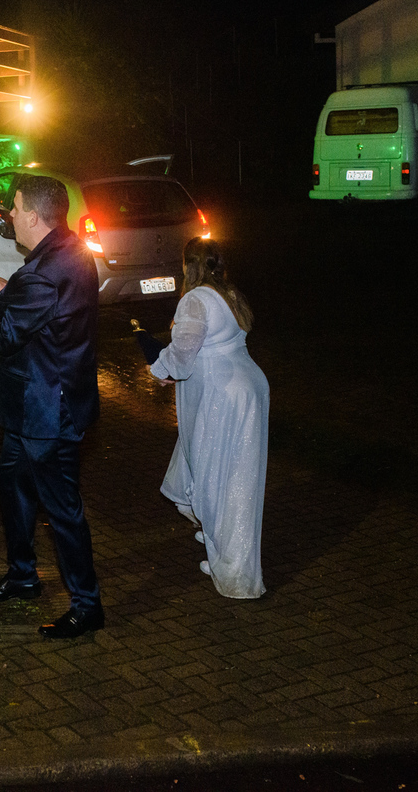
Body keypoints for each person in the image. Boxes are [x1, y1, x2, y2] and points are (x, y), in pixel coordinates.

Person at [0, 174, 103, 639]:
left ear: (33, 216)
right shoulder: (68, 251)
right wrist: (10, 287)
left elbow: (8, 336)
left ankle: (87, 605)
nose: (9, 214)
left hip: (47, 414)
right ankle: (22, 577)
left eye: (13, 207)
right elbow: (42, 306)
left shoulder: (44, 271)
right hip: (33, 409)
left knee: (63, 511)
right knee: (11, 486)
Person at [149, 237, 269, 599]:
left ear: (188, 265)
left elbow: (183, 353)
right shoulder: (228, 293)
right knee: (229, 476)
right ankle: (218, 536)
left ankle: (232, 566)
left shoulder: (195, 300)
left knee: (223, 482)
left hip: (224, 397)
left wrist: (158, 368)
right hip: (246, 388)